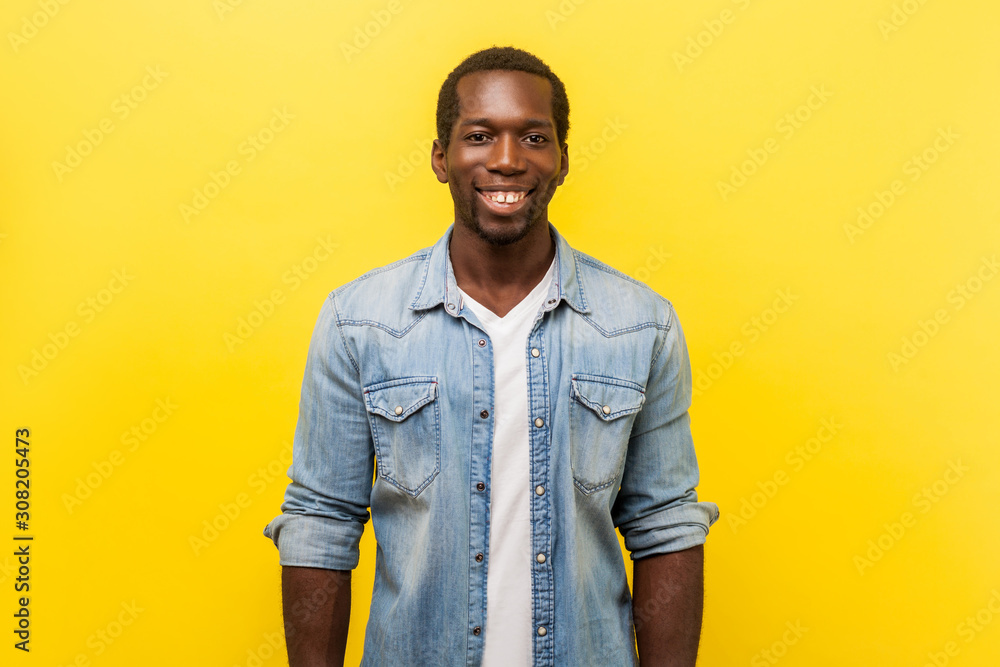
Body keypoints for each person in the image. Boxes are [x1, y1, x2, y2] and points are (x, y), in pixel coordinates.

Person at [264, 45, 719, 667]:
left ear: (561, 161)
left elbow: (664, 526)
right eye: (479, 136)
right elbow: (321, 521)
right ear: (440, 158)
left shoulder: (640, 324)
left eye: (533, 137)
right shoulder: (359, 322)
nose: (507, 160)